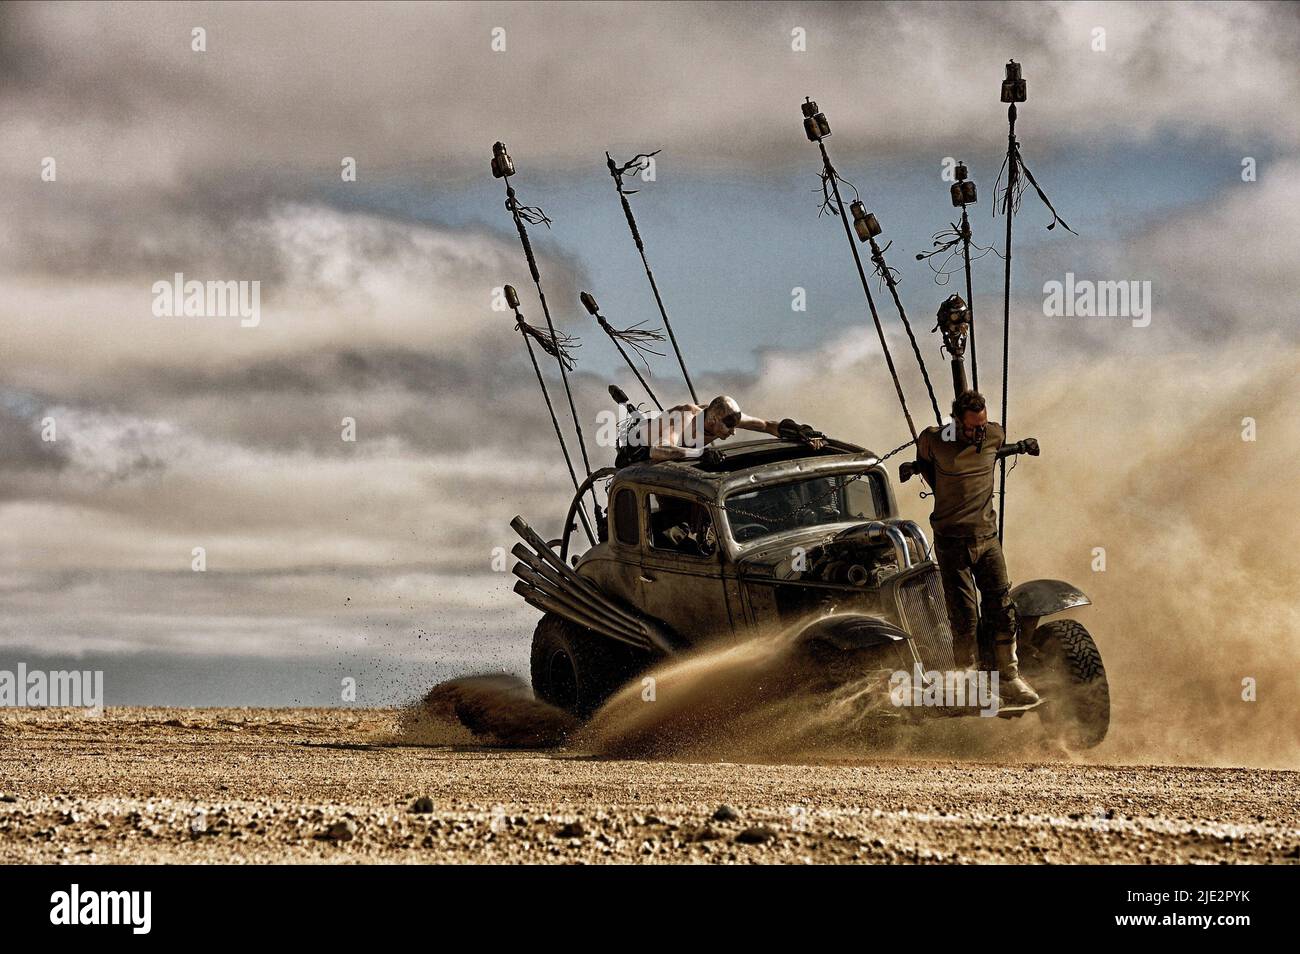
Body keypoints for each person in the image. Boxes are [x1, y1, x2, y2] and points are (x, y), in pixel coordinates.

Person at [899, 389, 1042, 706]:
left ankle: (1009, 676)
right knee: (964, 616)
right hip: (952, 543)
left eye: (982, 425)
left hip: (986, 539)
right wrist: (913, 468)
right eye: (972, 427)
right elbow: (926, 462)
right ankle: (970, 684)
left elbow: (994, 451)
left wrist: (1022, 446)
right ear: (955, 422)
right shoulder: (934, 440)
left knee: (1002, 607)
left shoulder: (993, 434)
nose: (979, 433)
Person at [615, 394, 824, 466]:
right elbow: (657, 450)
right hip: (640, 448)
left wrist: (798, 430)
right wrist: (700, 453)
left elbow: (767, 426)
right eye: (728, 427)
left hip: (676, 450)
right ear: (713, 419)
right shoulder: (684, 419)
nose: (733, 432)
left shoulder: (726, 418)